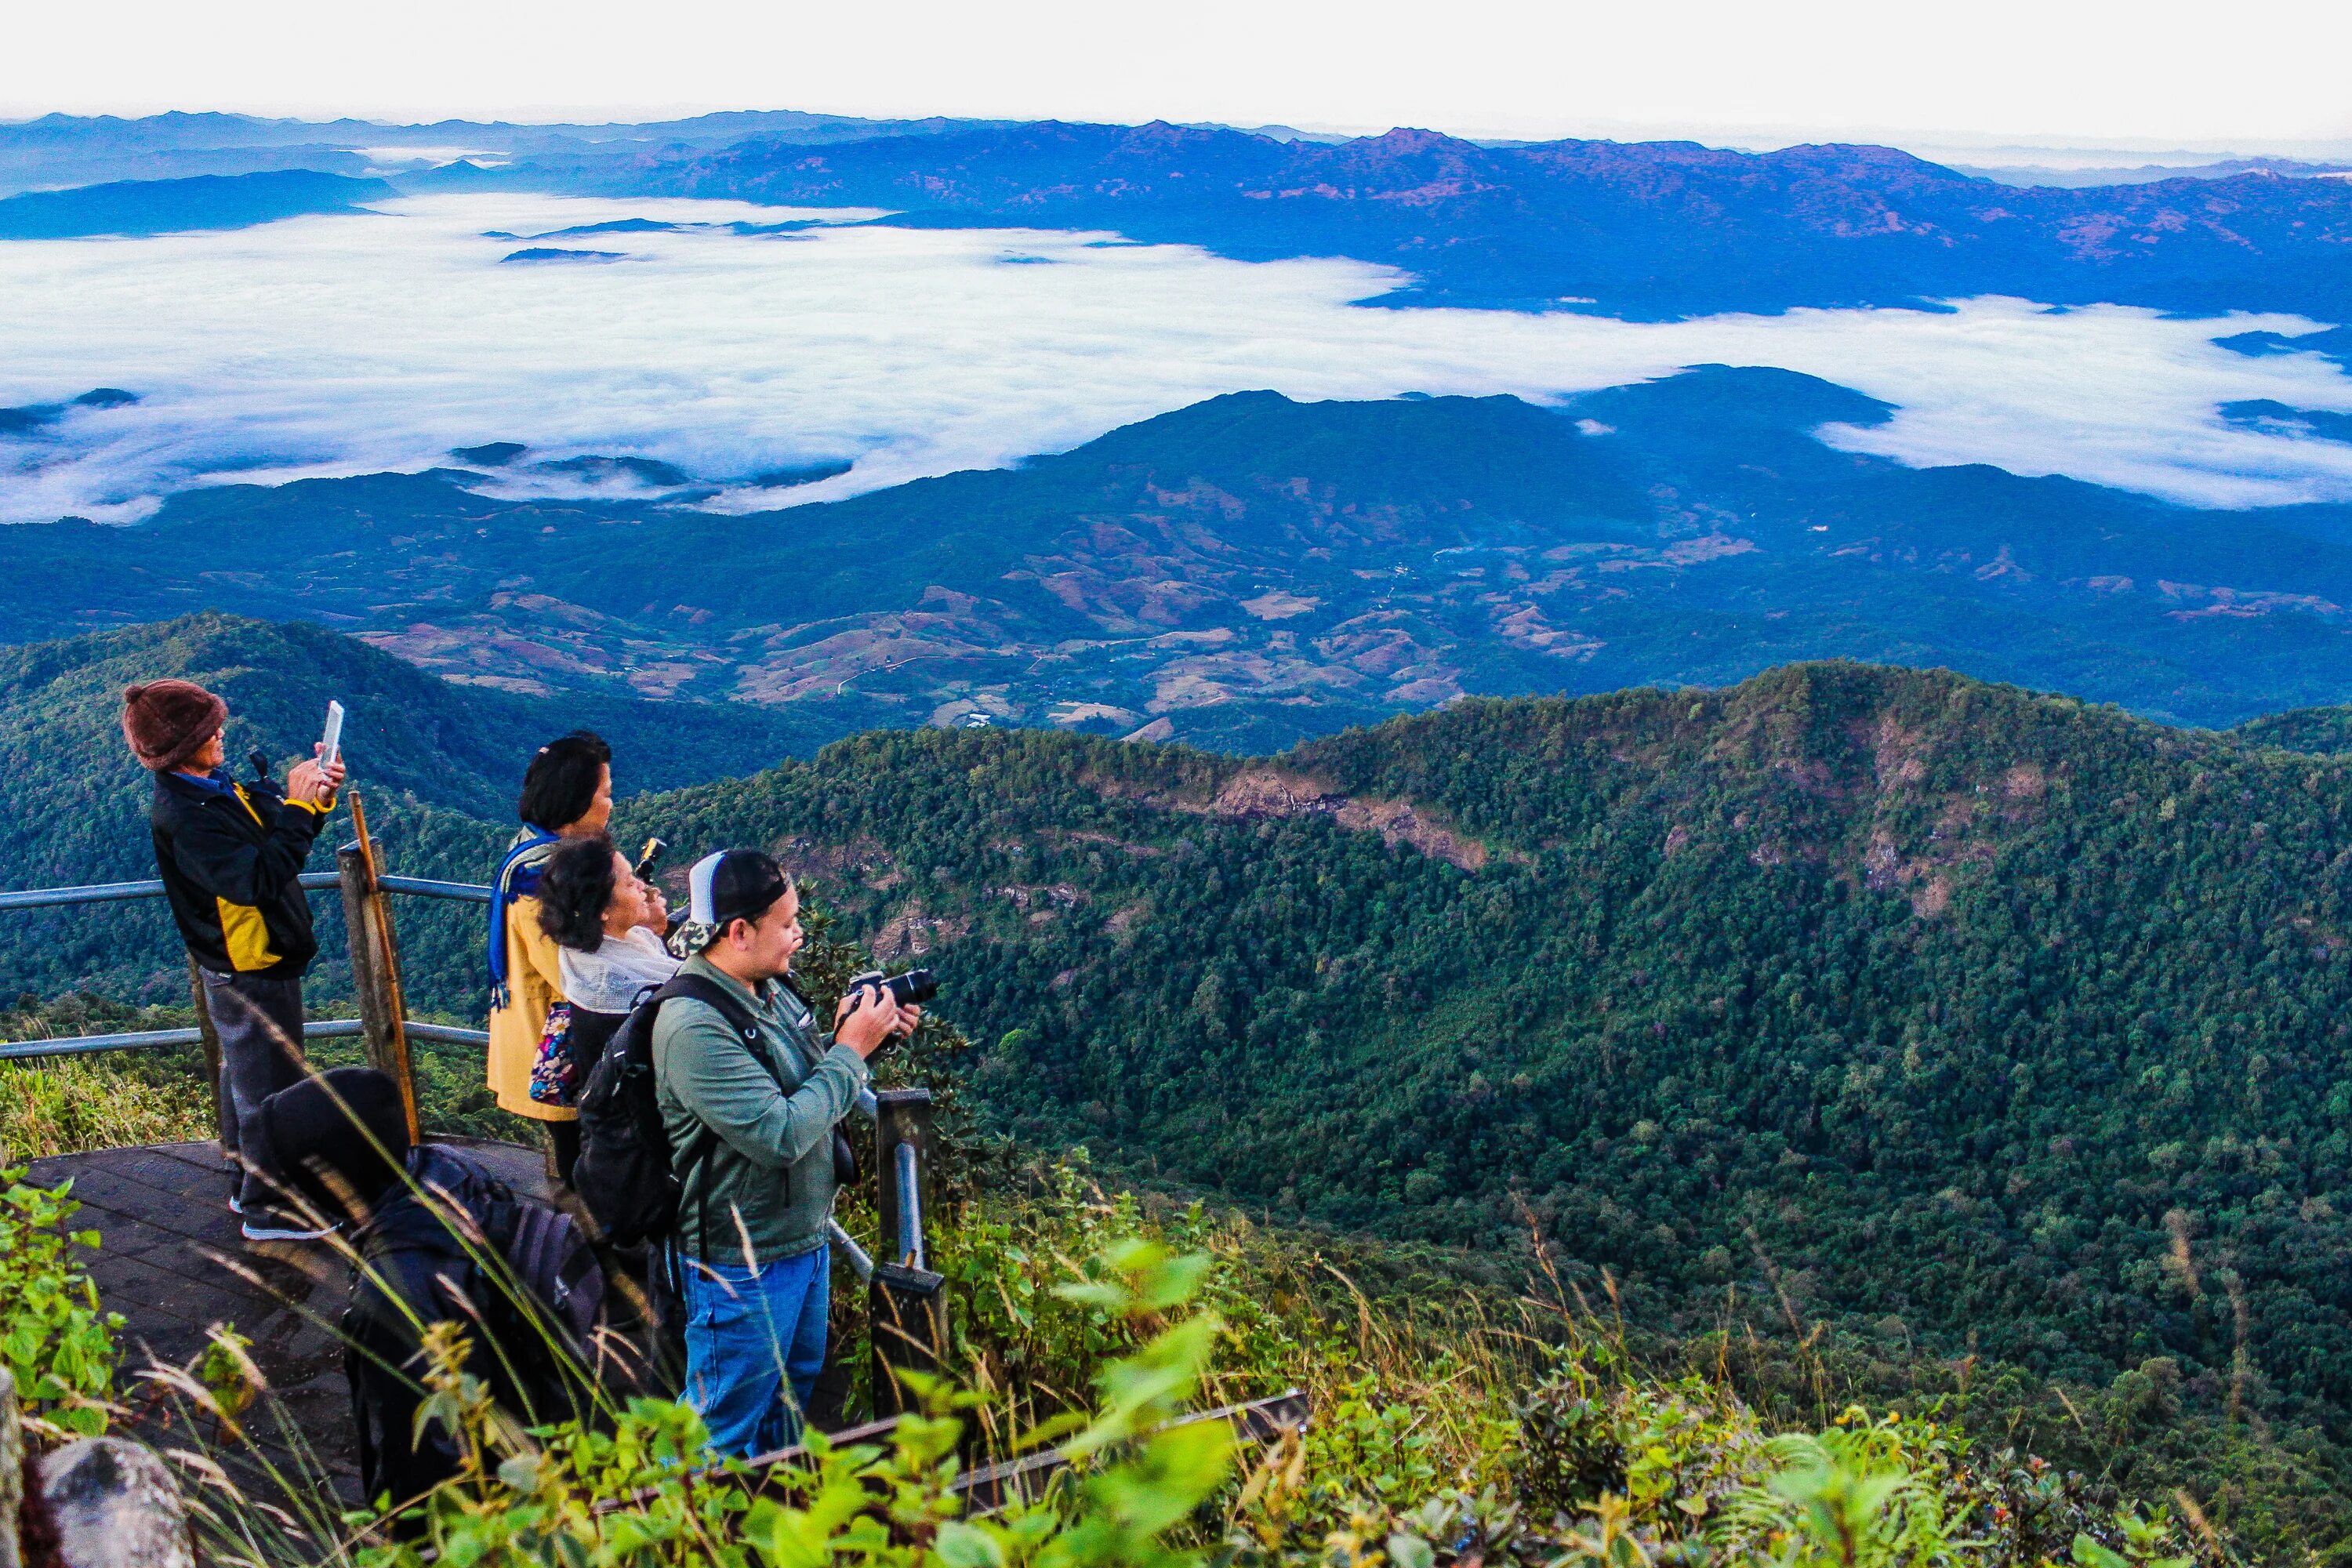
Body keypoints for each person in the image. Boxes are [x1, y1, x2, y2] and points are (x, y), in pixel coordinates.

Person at [655, 849, 915, 1457]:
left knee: (786, 1405)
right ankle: (667, 1533)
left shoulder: (766, 988)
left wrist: (863, 1038)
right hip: (740, 1261)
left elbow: (799, 1081)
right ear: (739, 930)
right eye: (789, 922)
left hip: (800, 1239)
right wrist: (850, 1051)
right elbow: (781, 1134)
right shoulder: (694, 1025)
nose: (800, 933)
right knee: (715, 1426)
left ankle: (761, 1523)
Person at [123, 678, 344, 1242]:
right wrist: (295, 804)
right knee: (271, 1086)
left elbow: (274, 841)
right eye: (207, 728)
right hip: (248, 963)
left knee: (246, 1073)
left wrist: (311, 800)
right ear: (179, 745)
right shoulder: (188, 812)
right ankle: (271, 1211)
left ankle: (242, 1177)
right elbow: (259, 879)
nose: (221, 732)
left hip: (249, 959)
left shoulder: (209, 788)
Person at [486, 731, 612, 1184]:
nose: (610, 804)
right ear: (574, 802)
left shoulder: (535, 852)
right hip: (558, 1044)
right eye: (605, 793)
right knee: (578, 1167)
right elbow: (569, 972)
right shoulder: (540, 878)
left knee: (577, 1158)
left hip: (551, 1036)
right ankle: (582, 1243)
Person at [532, 833, 678, 1108]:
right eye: (629, 883)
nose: (642, 888)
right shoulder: (614, 984)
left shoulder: (597, 949)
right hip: (637, 1129)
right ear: (602, 910)